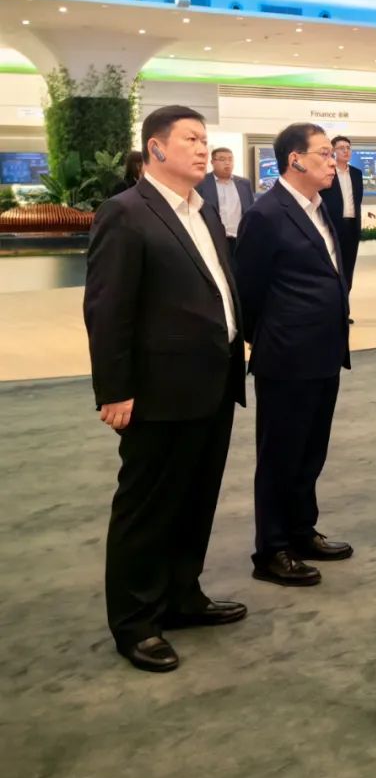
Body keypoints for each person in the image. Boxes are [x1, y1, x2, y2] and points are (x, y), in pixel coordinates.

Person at [84, 105, 246, 674]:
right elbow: (108, 309)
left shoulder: (202, 211)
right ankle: (135, 622)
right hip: (158, 390)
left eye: (205, 139)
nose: (203, 149)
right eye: (191, 139)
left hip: (213, 382)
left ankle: (182, 595)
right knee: (148, 507)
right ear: (155, 148)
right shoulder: (126, 213)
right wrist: (115, 388)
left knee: (195, 499)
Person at [234, 123, 352, 587]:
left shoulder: (321, 207)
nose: (333, 161)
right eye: (323, 153)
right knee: (280, 455)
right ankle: (272, 549)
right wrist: (273, 336)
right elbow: (248, 291)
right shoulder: (266, 214)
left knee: (310, 452)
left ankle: (302, 531)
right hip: (286, 357)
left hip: (324, 352)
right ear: (294, 160)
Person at [323, 135, 364, 317]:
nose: (346, 151)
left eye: (348, 147)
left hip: (351, 227)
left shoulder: (356, 174)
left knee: (348, 269)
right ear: (333, 151)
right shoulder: (328, 173)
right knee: (333, 268)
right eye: (341, 148)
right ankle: (331, 309)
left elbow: (358, 200)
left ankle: (344, 311)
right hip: (333, 227)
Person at [196, 147, 255, 259]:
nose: (227, 163)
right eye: (222, 159)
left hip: (240, 239)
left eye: (230, 159)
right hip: (213, 240)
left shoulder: (244, 184)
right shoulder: (201, 183)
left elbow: (251, 212)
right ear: (212, 162)